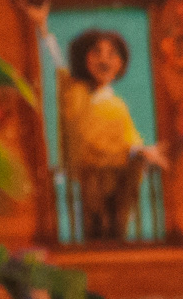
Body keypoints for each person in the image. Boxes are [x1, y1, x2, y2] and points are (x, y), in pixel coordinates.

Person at [53, 26, 164, 245]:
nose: (104, 60)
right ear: (84, 58)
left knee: (116, 229)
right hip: (90, 179)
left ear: (120, 63)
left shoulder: (118, 106)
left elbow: (130, 139)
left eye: (112, 54)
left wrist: (142, 152)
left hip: (118, 180)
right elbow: (58, 66)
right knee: (94, 230)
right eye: (96, 52)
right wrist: (44, 31)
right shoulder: (77, 95)